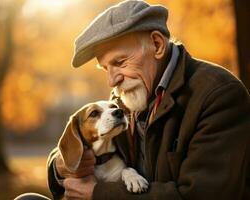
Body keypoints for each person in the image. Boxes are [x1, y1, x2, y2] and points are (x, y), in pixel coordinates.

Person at [15, 0, 250, 199]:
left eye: (119, 62)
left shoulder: (218, 95)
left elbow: (200, 195)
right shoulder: (127, 95)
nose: (111, 81)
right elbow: (85, 135)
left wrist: (100, 193)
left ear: (157, 45)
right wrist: (58, 166)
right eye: (104, 68)